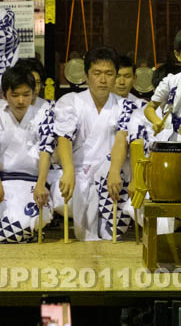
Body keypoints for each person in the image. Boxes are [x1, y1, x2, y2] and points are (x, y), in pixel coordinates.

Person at [53, 47, 137, 241]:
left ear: (115, 76)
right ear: (86, 75)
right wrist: (68, 171)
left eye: (109, 74)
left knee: (110, 234)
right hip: (78, 173)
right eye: (96, 73)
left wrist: (114, 172)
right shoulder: (70, 101)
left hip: (111, 175)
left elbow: (121, 139)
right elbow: (64, 137)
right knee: (62, 198)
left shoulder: (125, 106)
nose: (103, 79)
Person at [0, 66, 57, 242]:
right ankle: (22, 232)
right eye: (15, 95)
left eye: (26, 94)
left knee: (30, 220)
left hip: (32, 182)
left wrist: (41, 184)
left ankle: (17, 232)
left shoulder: (44, 115)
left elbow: (46, 151)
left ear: (34, 93)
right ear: (4, 95)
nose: (21, 100)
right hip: (4, 181)